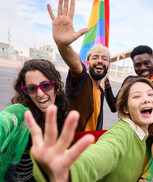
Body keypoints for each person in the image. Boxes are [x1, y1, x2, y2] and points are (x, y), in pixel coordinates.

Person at [29, 77, 153, 182]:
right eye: (137, 96)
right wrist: (70, 172)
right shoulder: (122, 133)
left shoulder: (145, 137)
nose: (146, 99)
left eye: (150, 94)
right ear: (125, 108)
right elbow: (102, 154)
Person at [47, 1, 114, 132]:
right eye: (95, 57)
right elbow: (76, 65)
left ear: (108, 65)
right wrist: (62, 45)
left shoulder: (100, 92)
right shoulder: (83, 81)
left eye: (104, 58)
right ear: (87, 63)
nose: (100, 61)